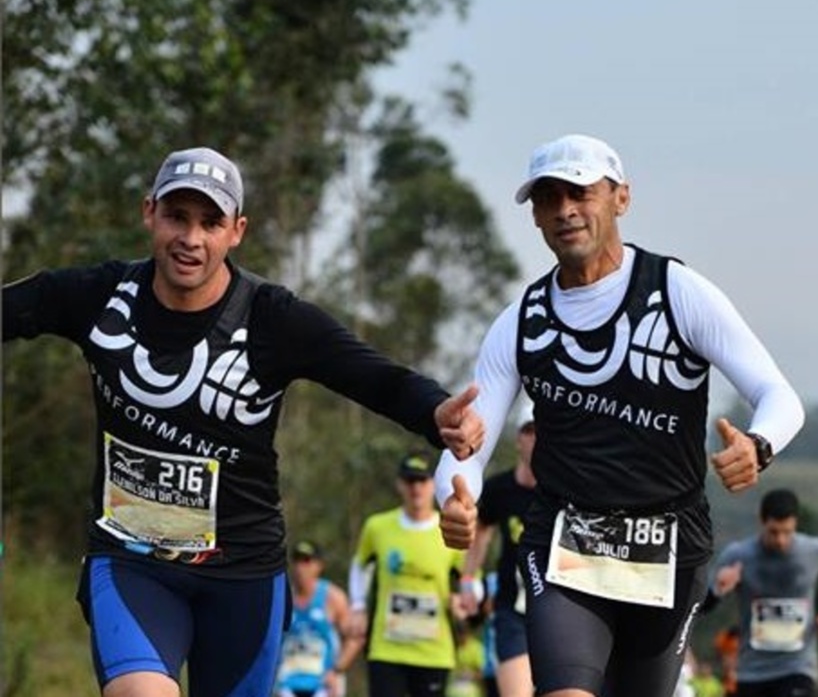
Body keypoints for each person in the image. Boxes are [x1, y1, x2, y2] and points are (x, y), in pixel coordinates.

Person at [1, 146, 484, 697]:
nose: (191, 239)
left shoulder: (272, 318)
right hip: (131, 559)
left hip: (244, 575)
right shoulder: (101, 296)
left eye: (211, 222)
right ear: (148, 212)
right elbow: (16, 306)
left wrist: (435, 411)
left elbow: (372, 376)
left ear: (237, 231)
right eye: (177, 217)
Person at [434, 133, 806, 697]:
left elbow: (780, 397)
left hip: (670, 547)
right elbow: (467, 447)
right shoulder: (521, 322)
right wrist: (455, 498)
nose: (565, 211)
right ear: (534, 214)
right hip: (566, 543)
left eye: (580, 193)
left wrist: (757, 445)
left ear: (621, 199)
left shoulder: (677, 293)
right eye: (549, 198)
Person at [348, 451, 467, 696]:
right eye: (410, 481)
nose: (416, 489)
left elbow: (469, 580)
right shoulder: (377, 527)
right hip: (387, 648)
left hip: (434, 652)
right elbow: (360, 565)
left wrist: (463, 602)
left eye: (422, 481)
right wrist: (358, 606)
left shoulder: (449, 530)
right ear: (399, 484)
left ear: (433, 484)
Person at [702, 489, 818, 697]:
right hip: (752, 671)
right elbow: (702, 605)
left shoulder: (815, 551)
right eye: (774, 532)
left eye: (787, 532)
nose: (781, 540)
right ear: (762, 521)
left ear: (796, 522)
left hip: (798, 667)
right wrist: (719, 589)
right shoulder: (738, 556)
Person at [458, 420, 537, 697]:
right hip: (511, 608)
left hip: (556, 609)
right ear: (519, 439)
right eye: (529, 431)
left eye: (542, 431)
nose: (535, 439)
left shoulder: (564, 490)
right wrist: (468, 578)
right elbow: (482, 531)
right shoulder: (498, 488)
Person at [276, 540, 361, 697]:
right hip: (286, 684)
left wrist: (337, 670)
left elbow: (355, 639)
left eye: (307, 561)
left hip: (323, 686)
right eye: (297, 561)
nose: (301, 568)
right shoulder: (282, 598)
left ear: (319, 566)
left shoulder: (333, 598)